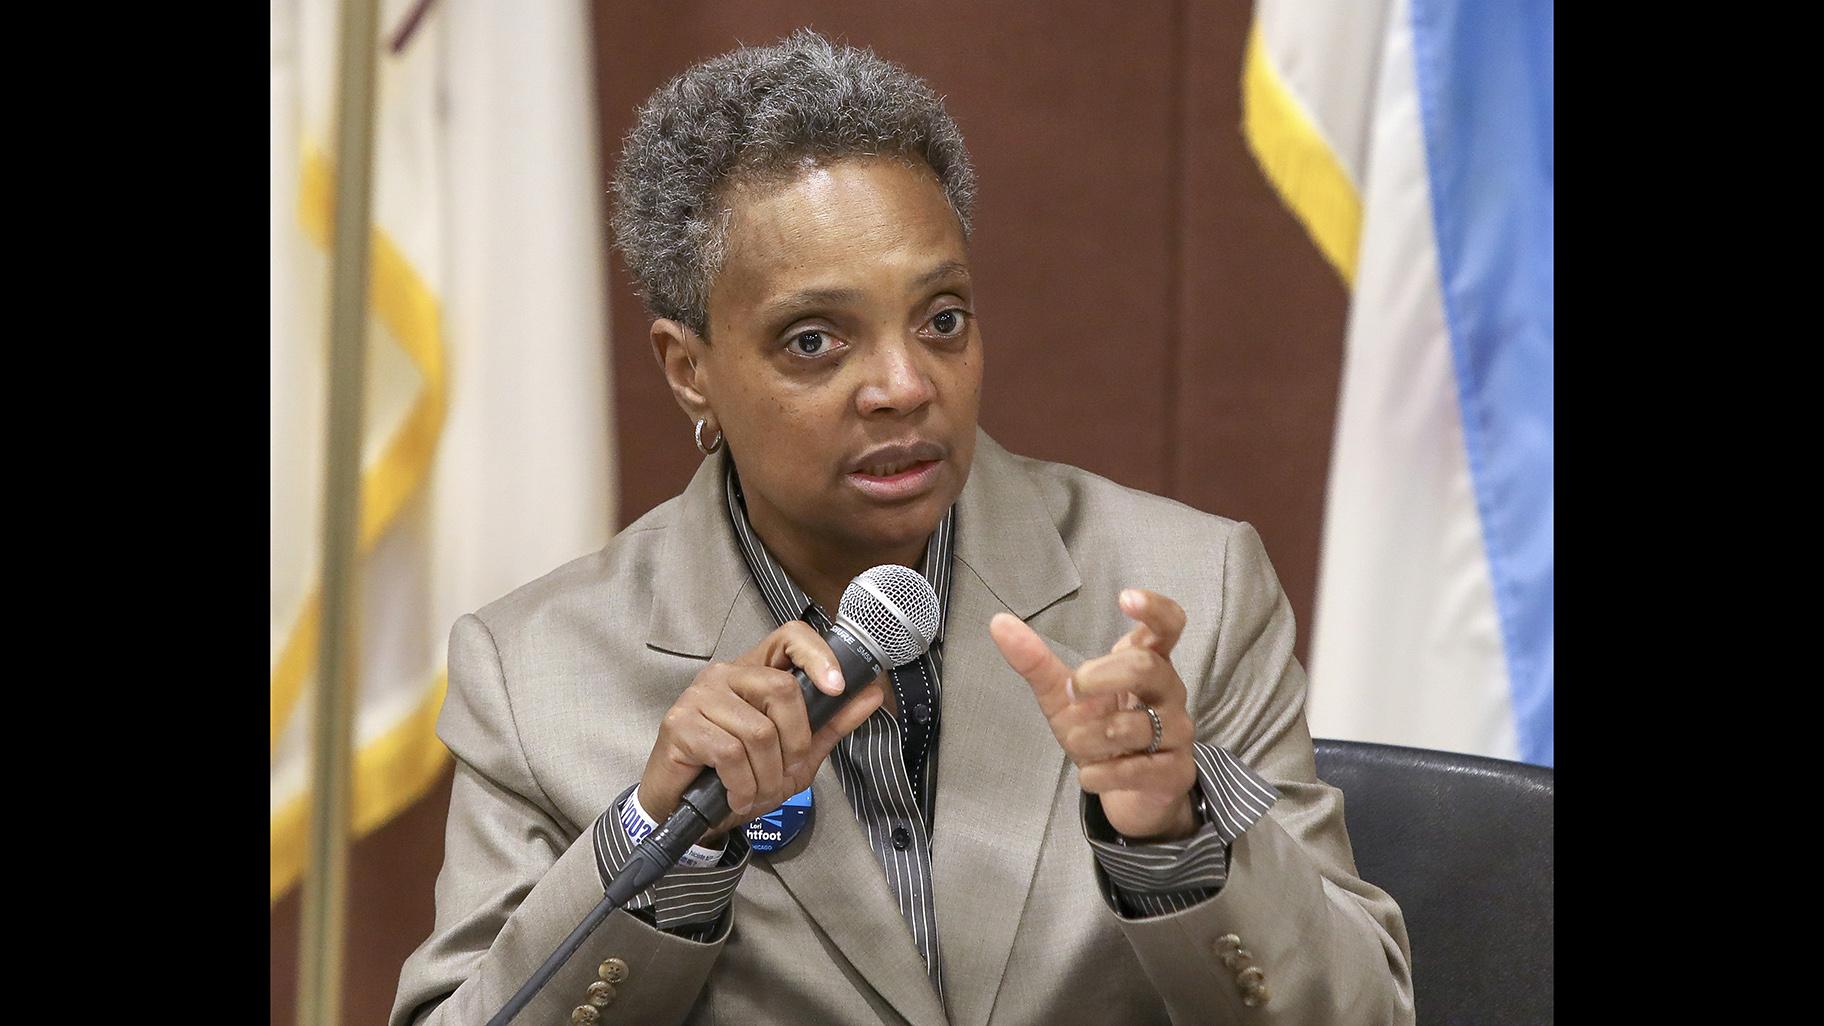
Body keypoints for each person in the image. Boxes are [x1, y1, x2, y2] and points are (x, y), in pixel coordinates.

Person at [392, 29, 1413, 1026]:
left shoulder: (1187, 588)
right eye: (814, 340)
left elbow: (1365, 1012)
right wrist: (660, 844)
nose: (903, 385)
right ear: (687, 366)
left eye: (943, 320)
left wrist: (1176, 832)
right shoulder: (537, 673)